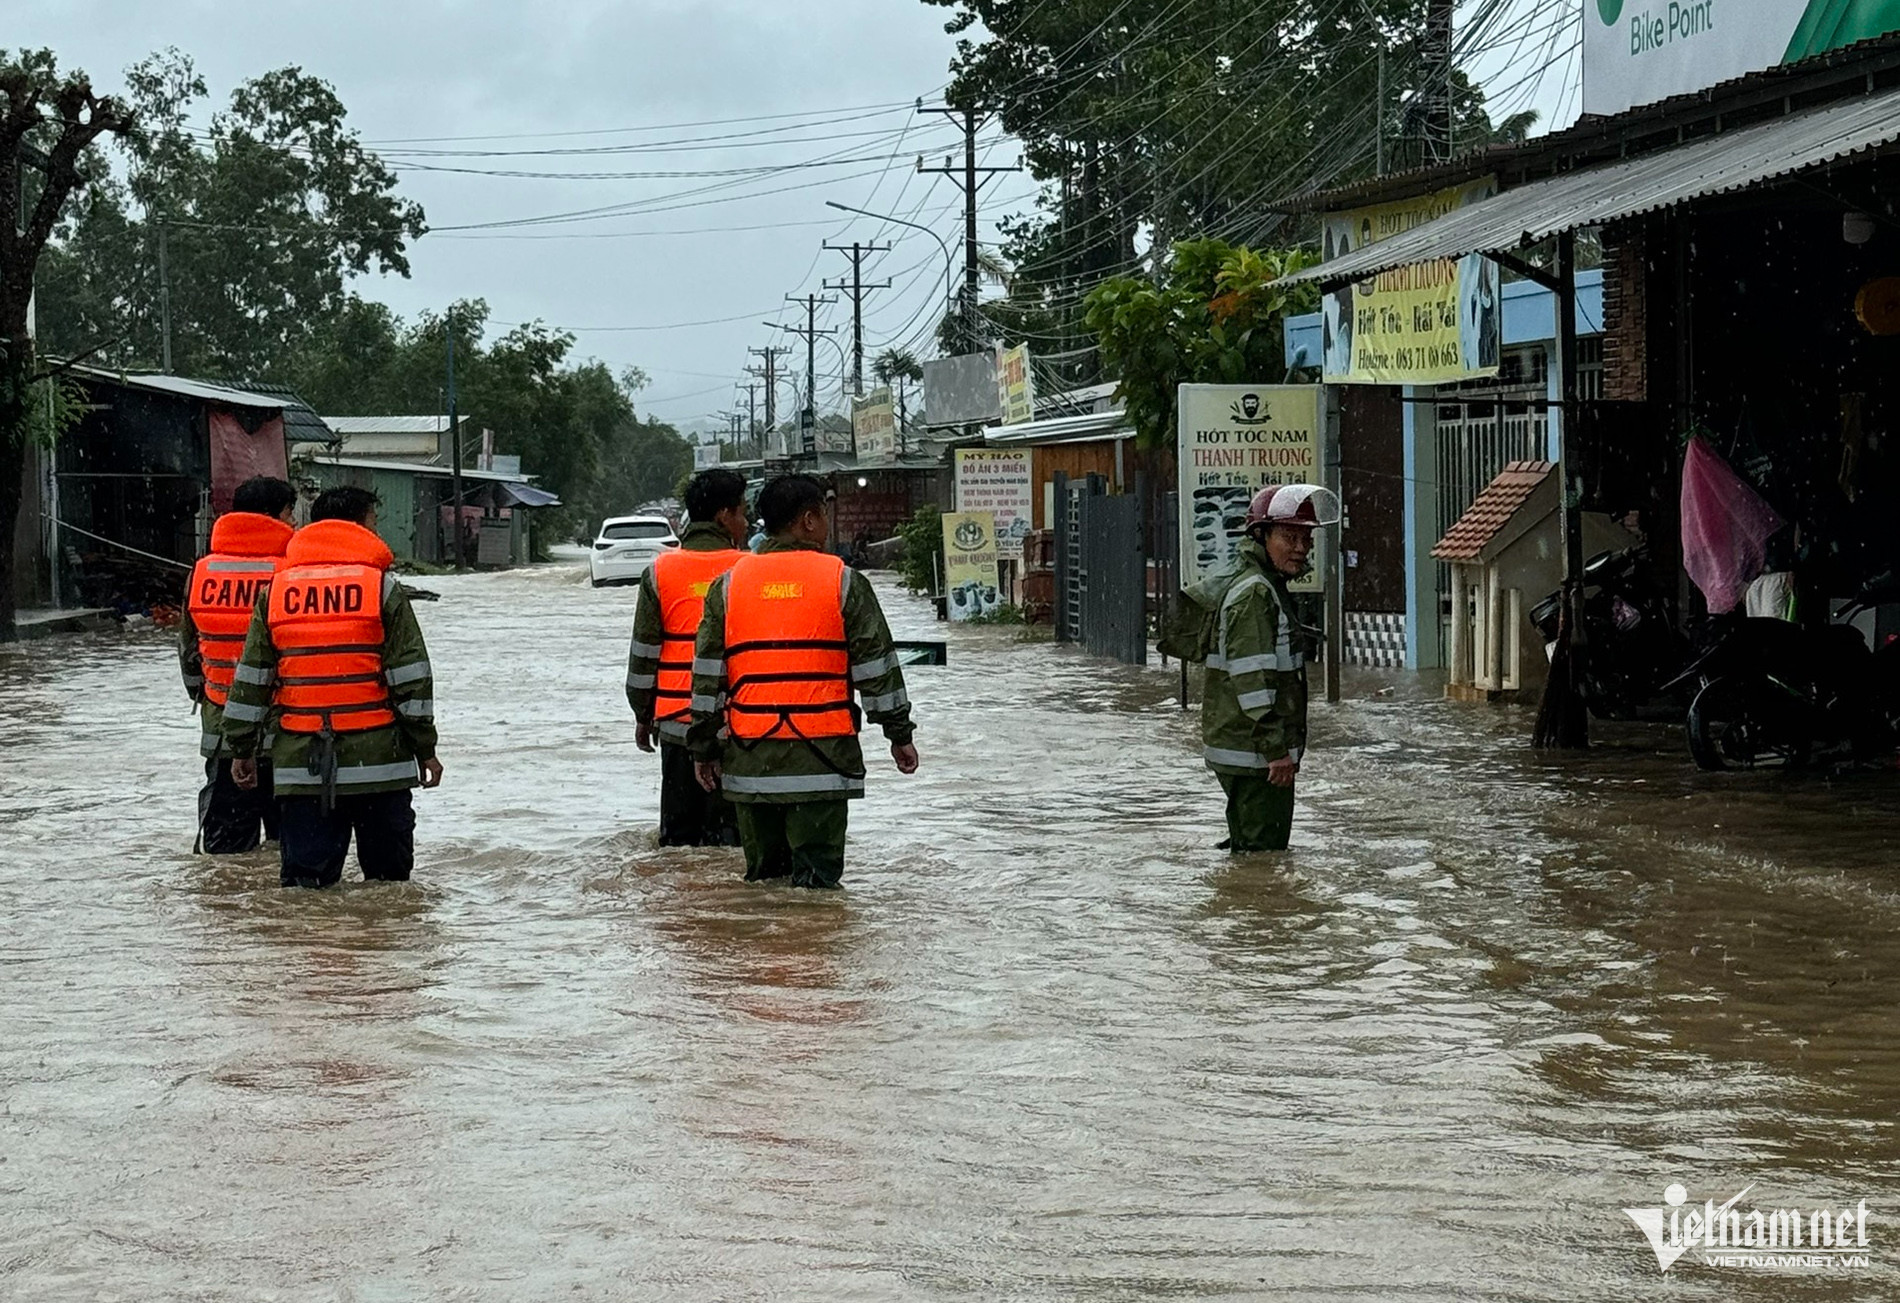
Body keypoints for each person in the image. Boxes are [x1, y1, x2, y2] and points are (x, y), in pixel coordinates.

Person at [687, 473, 919, 888]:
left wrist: (703, 747)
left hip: (750, 761)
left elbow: (707, 678)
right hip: (823, 762)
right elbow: (876, 671)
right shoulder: (844, 581)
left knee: (763, 889)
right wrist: (899, 735)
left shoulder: (728, 586)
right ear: (809, 521)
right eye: (825, 516)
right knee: (817, 893)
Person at [222, 486, 443, 889]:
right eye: (374, 524)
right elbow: (410, 678)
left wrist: (241, 749)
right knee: (389, 889)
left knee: (306, 894)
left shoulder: (276, 592)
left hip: (302, 767)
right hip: (381, 766)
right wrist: (425, 749)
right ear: (358, 527)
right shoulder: (381, 588)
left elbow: (252, 680)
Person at [1201, 483, 1338, 853]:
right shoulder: (1256, 593)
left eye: (1306, 538)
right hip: (1256, 757)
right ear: (1261, 536)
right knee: (1265, 858)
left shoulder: (1262, 585)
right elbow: (1253, 682)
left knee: (1249, 855)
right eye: (1289, 537)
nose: (1300, 548)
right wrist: (1276, 752)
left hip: (1246, 753)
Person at [626, 467, 749, 847]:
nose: (746, 521)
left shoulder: (659, 571)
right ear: (723, 516)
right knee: (733, 842)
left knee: (680, 841)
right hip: (740, 725)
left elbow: (644, 656)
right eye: (742, 511)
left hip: (677, 726)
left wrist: (642, 715)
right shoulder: (750, 570)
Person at [179, 475, 297, 853]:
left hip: (223, 732)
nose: (294, 523)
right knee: (292, 851)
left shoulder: (202, 572)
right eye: (289, 513)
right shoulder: (291, 574)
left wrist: (210, 697)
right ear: (272, 517)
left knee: (225, 855)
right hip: (286, 732)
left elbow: (189, 652)